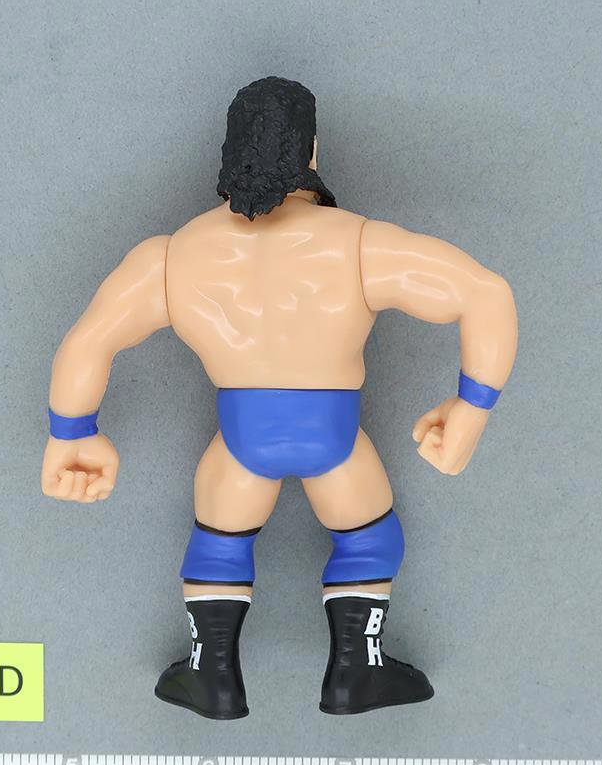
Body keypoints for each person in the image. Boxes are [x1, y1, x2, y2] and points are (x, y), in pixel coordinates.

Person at [42, 77, 518, 719]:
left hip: (243, 440)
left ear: (229, 152)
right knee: (369, 541)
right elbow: (485, 293)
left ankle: (211, 677)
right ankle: (356, 672)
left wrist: (72, 434)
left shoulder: (174, 256)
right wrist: (471, 406)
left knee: (219, 543)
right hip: (333, 437)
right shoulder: (357, 243)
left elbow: (89, 341)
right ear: (310, 150)